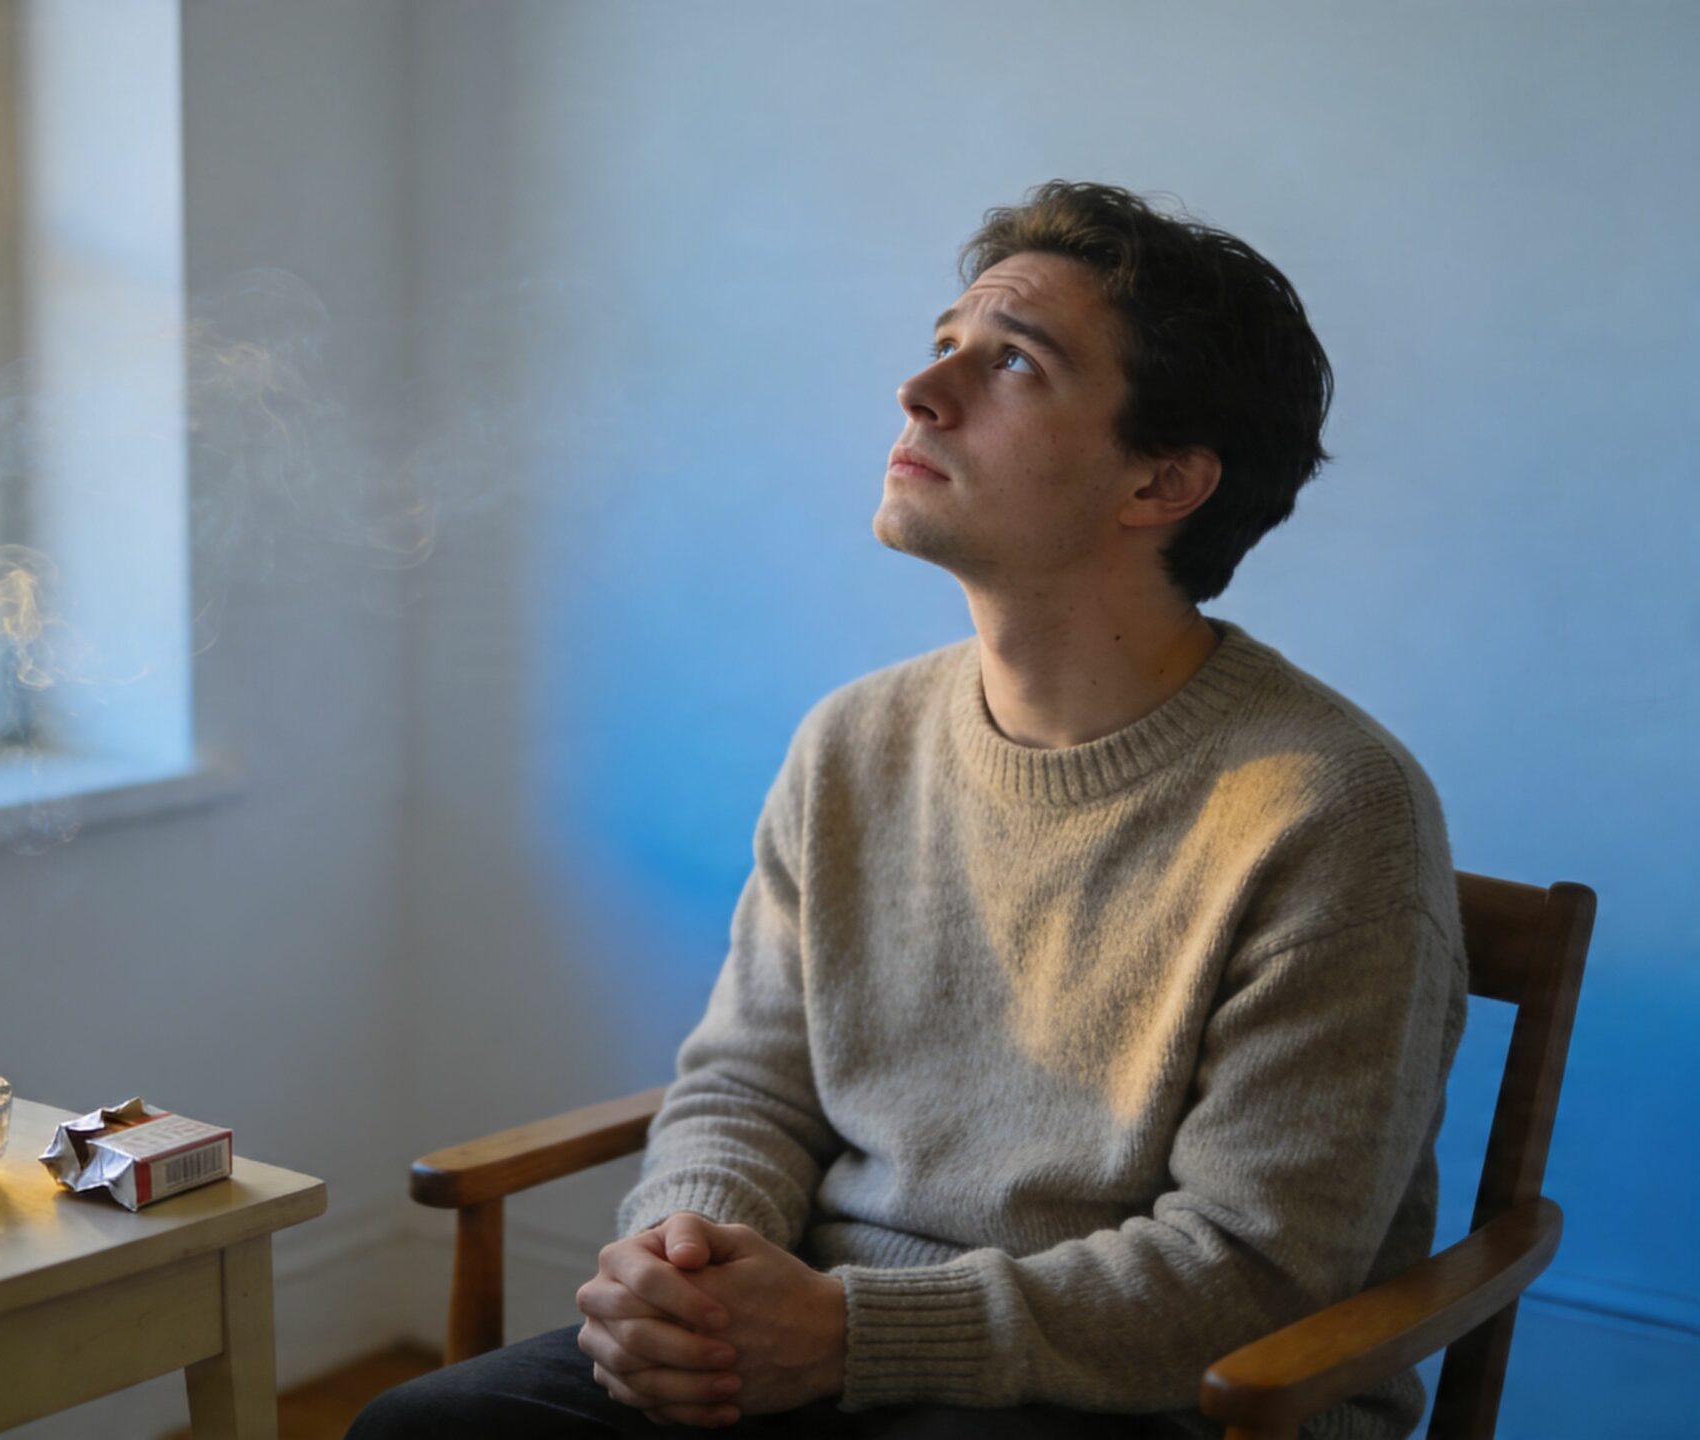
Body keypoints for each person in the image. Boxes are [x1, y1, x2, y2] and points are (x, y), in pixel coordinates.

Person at [349, 180, 1465, 1438]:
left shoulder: (1329, 811)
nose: (919, 392)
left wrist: (847, 1336)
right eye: (944, 347)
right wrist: (690, 1257)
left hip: (1144, 1398)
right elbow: (747, 1088)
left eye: (1013, 365)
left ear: (1160, 483)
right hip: (817, 1332)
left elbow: (1252, 1272)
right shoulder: (852, 742)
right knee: (421, 1430)